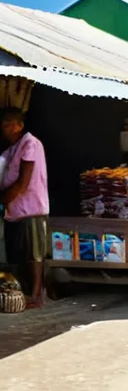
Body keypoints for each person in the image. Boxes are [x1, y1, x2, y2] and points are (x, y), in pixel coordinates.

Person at [0, 108, 49, 307]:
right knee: (18, 255)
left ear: (21, 125)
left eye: (13, 123)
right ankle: (23, 294)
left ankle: (36, 295)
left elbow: (23, 181)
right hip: (14, 211)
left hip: (31, 208)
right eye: (5, 124)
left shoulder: (30, 143)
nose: (8, 128)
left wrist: (3, 200)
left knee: (34, 255)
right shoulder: (8, 151)